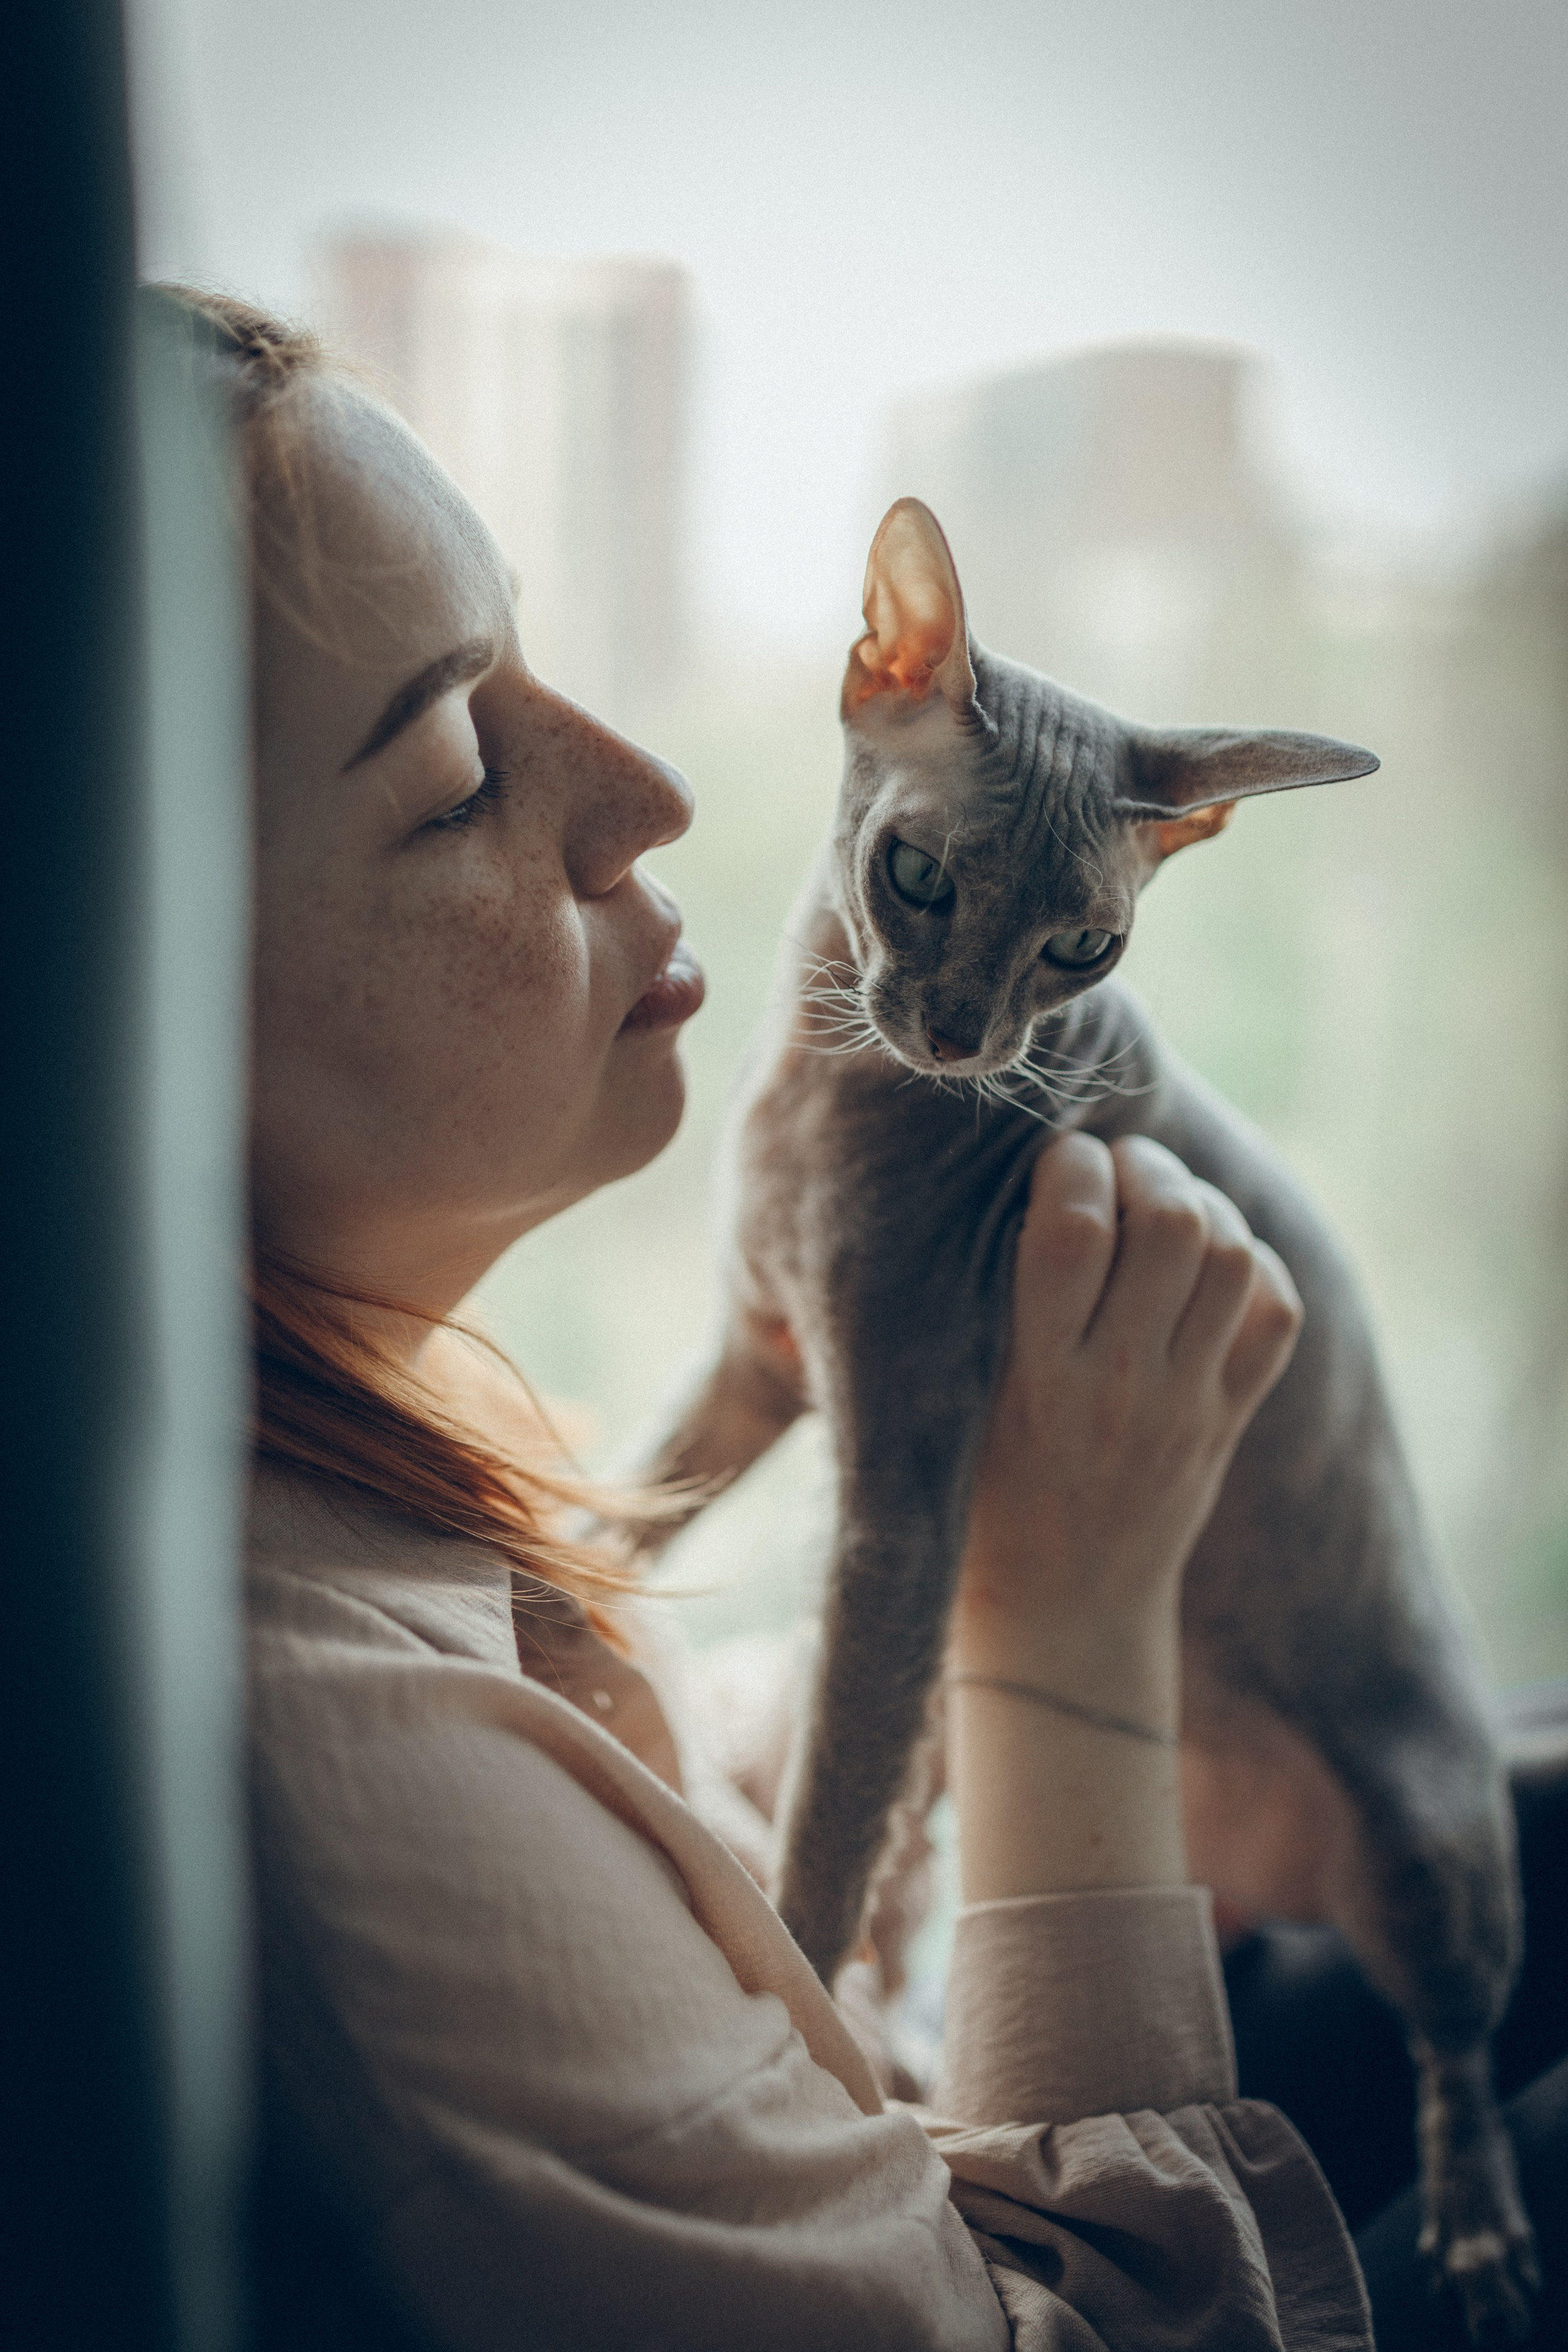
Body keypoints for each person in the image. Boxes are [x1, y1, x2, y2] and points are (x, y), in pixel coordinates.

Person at [175, 283, 1543, 2350]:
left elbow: (674, 1757)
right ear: (128, 971)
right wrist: (1063, 1628)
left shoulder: (388, 1473)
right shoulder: (380, 1809)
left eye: (539, 655)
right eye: (455, 766)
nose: (657, 787)